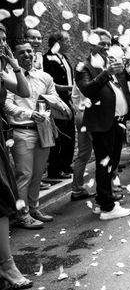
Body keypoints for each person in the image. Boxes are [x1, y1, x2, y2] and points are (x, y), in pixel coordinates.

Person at [76, 28, 130, 221]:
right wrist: (106, 73)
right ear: (91, 42)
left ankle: (100, 201)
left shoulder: (112, 61)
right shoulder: (83, 66)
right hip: (101, 122)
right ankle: (107, 207)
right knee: (104, 164)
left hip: (117, 122)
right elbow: (88, 90)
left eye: (107, 43)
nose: (105, 47)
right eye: (101, 43)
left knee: (111, 163)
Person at [5, 41, 69, 228]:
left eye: (29, 51)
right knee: (24, 174)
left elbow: (54, 97)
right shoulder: (9, 77)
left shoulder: (45, 77)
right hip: (22, 131)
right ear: (15, 57)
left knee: (38, 174)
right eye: (22, 52)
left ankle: (33, 208)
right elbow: (7, 105)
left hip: (44, 130)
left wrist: (53, 106)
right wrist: (29, 113)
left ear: (34, 54)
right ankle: (22, 214)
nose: (26, 55)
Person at [0, 25, 32, 289]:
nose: (2, 44)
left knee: (0, 200)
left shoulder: (2, 71)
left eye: (3, 39)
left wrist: (15, 66)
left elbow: (24, 92)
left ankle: (7, 265)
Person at [43, 31, 75, 180]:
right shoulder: (48, 59)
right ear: (57, 42)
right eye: (67, 41)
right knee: (60, 136)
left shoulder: (64, 57)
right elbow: (51, 84)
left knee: (69, 134)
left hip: (68, 100)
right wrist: (69, 88)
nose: (69, 43)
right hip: (57, 101)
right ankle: (55, 169)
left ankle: (66, 164)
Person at [69, 83, 93, 201]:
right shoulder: (92, 73)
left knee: (83, 154)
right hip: (91, 115)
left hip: (81, 114)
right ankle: (111, 188)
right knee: (103, 151)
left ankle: (77, 189)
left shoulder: (79, 77)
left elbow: (75, 97)